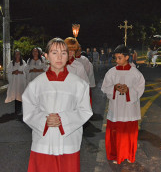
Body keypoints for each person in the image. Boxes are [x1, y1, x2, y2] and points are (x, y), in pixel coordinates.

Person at [22, 38, 93, 172]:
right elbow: (29, 110)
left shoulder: (79, 84)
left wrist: (62, 119)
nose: (59, 57)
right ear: (47, 56)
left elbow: (85, 111)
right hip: (43, 142)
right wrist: (45, 119)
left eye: (63, 53)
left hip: (68, 142)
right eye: (54, 53)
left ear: (68, 56)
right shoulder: (36, 84)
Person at [101, 44, 145, 164]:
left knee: (128, 133)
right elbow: (105, 87)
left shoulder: (136, 73)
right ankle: (116, 155)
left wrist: (128, 90)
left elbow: (140, 88)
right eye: (116, 58)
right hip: (116, 108)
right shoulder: (111, 72)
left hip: (130, 109)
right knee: (116, 133)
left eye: (119, 57)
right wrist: (114, 88)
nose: (117, 60)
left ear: (127, 57)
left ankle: (129, 154)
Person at [5, 49, 26, 115]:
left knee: (20, 95)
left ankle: (20, 109)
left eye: (18, 54)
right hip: (14, 82)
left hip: (21, 81)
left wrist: (19, 72)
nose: (17, 55)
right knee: (16, 95)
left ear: (20, 55)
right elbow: (8, 71)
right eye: (16, 54)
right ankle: (16, 110)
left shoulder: (23, 62)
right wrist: (14, 72)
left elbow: (26, 71)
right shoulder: (11, 63)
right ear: (14, 55)